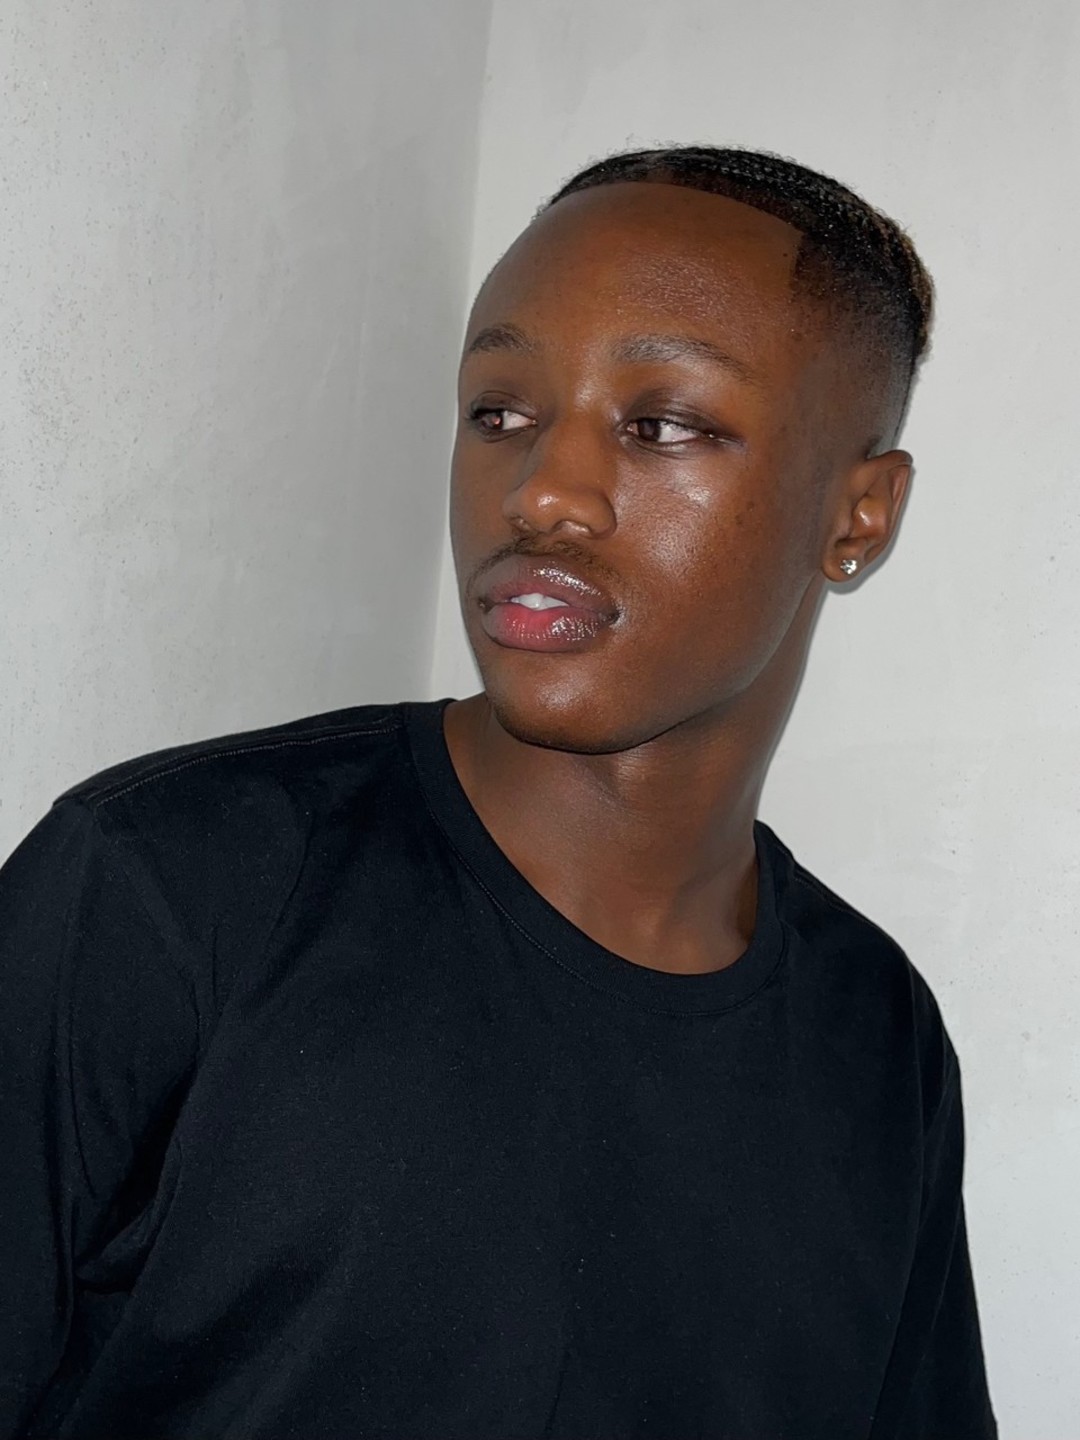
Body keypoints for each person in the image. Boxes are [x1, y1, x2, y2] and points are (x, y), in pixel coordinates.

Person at [0, 146, 996, 1439]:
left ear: (858, 514)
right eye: (501, 413)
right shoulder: (168, 890)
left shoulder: (878, 1041)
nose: (544, 493)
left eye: (662, 424)